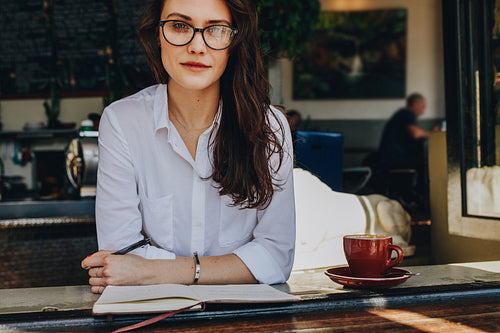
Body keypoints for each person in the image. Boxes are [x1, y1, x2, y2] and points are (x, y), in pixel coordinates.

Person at [81, 0, 295, 294]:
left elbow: (275, 257)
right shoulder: (122, 122)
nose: (197, 46)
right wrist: (232, 267)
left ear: (234, 40)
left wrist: (159, 270)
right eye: (180, 26)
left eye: (216, 29)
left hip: (244, 318)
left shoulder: (269, 126)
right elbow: (120, 257)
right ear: (158, 34)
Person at [377, 93, 438, 171]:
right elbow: (416, 134)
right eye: (423, 107)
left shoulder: (402, 114)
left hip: (389, 157)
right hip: (394, 158)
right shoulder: (407, 113)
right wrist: (434, 134)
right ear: (415, 104)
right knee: (427, 163)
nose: (423, 112)